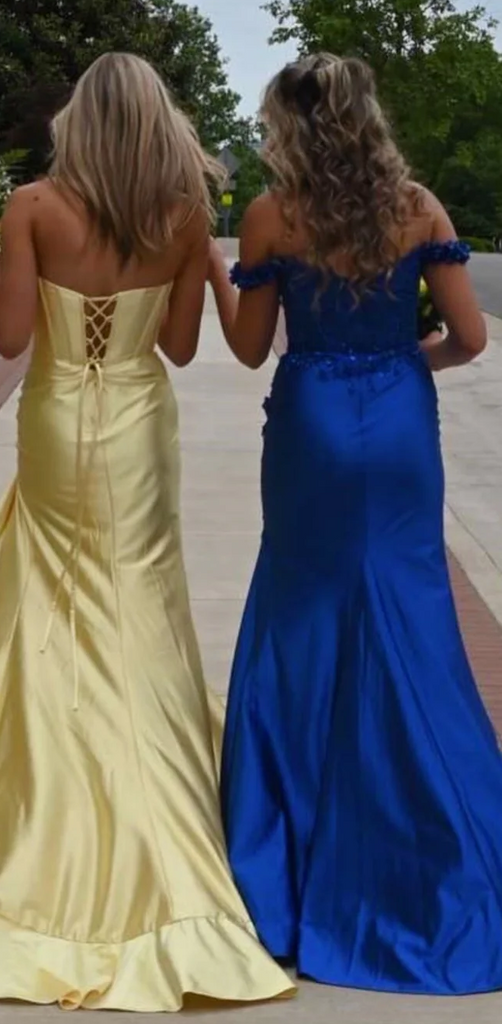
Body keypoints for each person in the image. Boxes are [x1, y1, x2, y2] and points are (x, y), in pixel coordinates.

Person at [0, 53, 295, 1010]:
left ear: (79, 121)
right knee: (142, 608)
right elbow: (178, 346)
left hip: (57, 421)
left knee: (52, 610)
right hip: (139, 425)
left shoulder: (32, 207)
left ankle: (38, 824)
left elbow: (12, 339)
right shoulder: (183, 214)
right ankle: (165, 820)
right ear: (157, 123)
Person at [208, 52, 502, 996]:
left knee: (301, 617)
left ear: (288, 122)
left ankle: (288, 849)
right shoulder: (417, 208)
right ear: (366, 115)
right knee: (410, 619)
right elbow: (469, 338)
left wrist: (217, 274)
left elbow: (249, 349)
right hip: (400, 423)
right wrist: (403, 362)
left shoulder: (272, 215)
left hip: (311, 429)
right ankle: (431, 838)